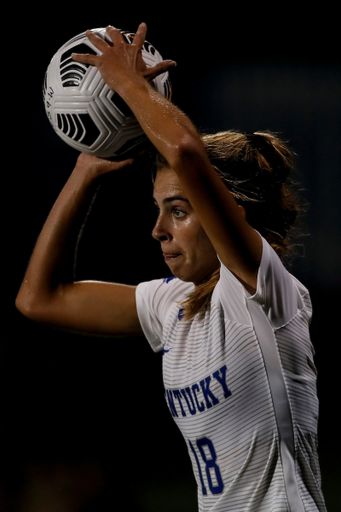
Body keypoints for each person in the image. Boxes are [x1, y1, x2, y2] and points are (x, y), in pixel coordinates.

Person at [16, 24, 327, 511]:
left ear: (230, 216)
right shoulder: (173, 306)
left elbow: (184, 150)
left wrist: (127, 85)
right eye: (158, 210)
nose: (158, 230)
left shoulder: (264, 291)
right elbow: (39, 299)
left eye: (178, 210)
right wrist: (85, 170)